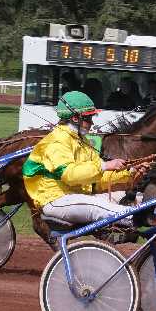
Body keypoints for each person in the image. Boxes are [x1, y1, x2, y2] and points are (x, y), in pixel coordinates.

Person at [22, 91, 144, 241]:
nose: (92, 123)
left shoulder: (83, 142)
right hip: (55, 200)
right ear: (75, 118)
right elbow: (69, 175)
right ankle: (137, 218)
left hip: (78, 197)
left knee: (139, 199)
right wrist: (105, 166)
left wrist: (130, 172)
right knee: (97, 204)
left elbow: (96, 180)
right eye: (88, 118)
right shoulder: (57, 141)